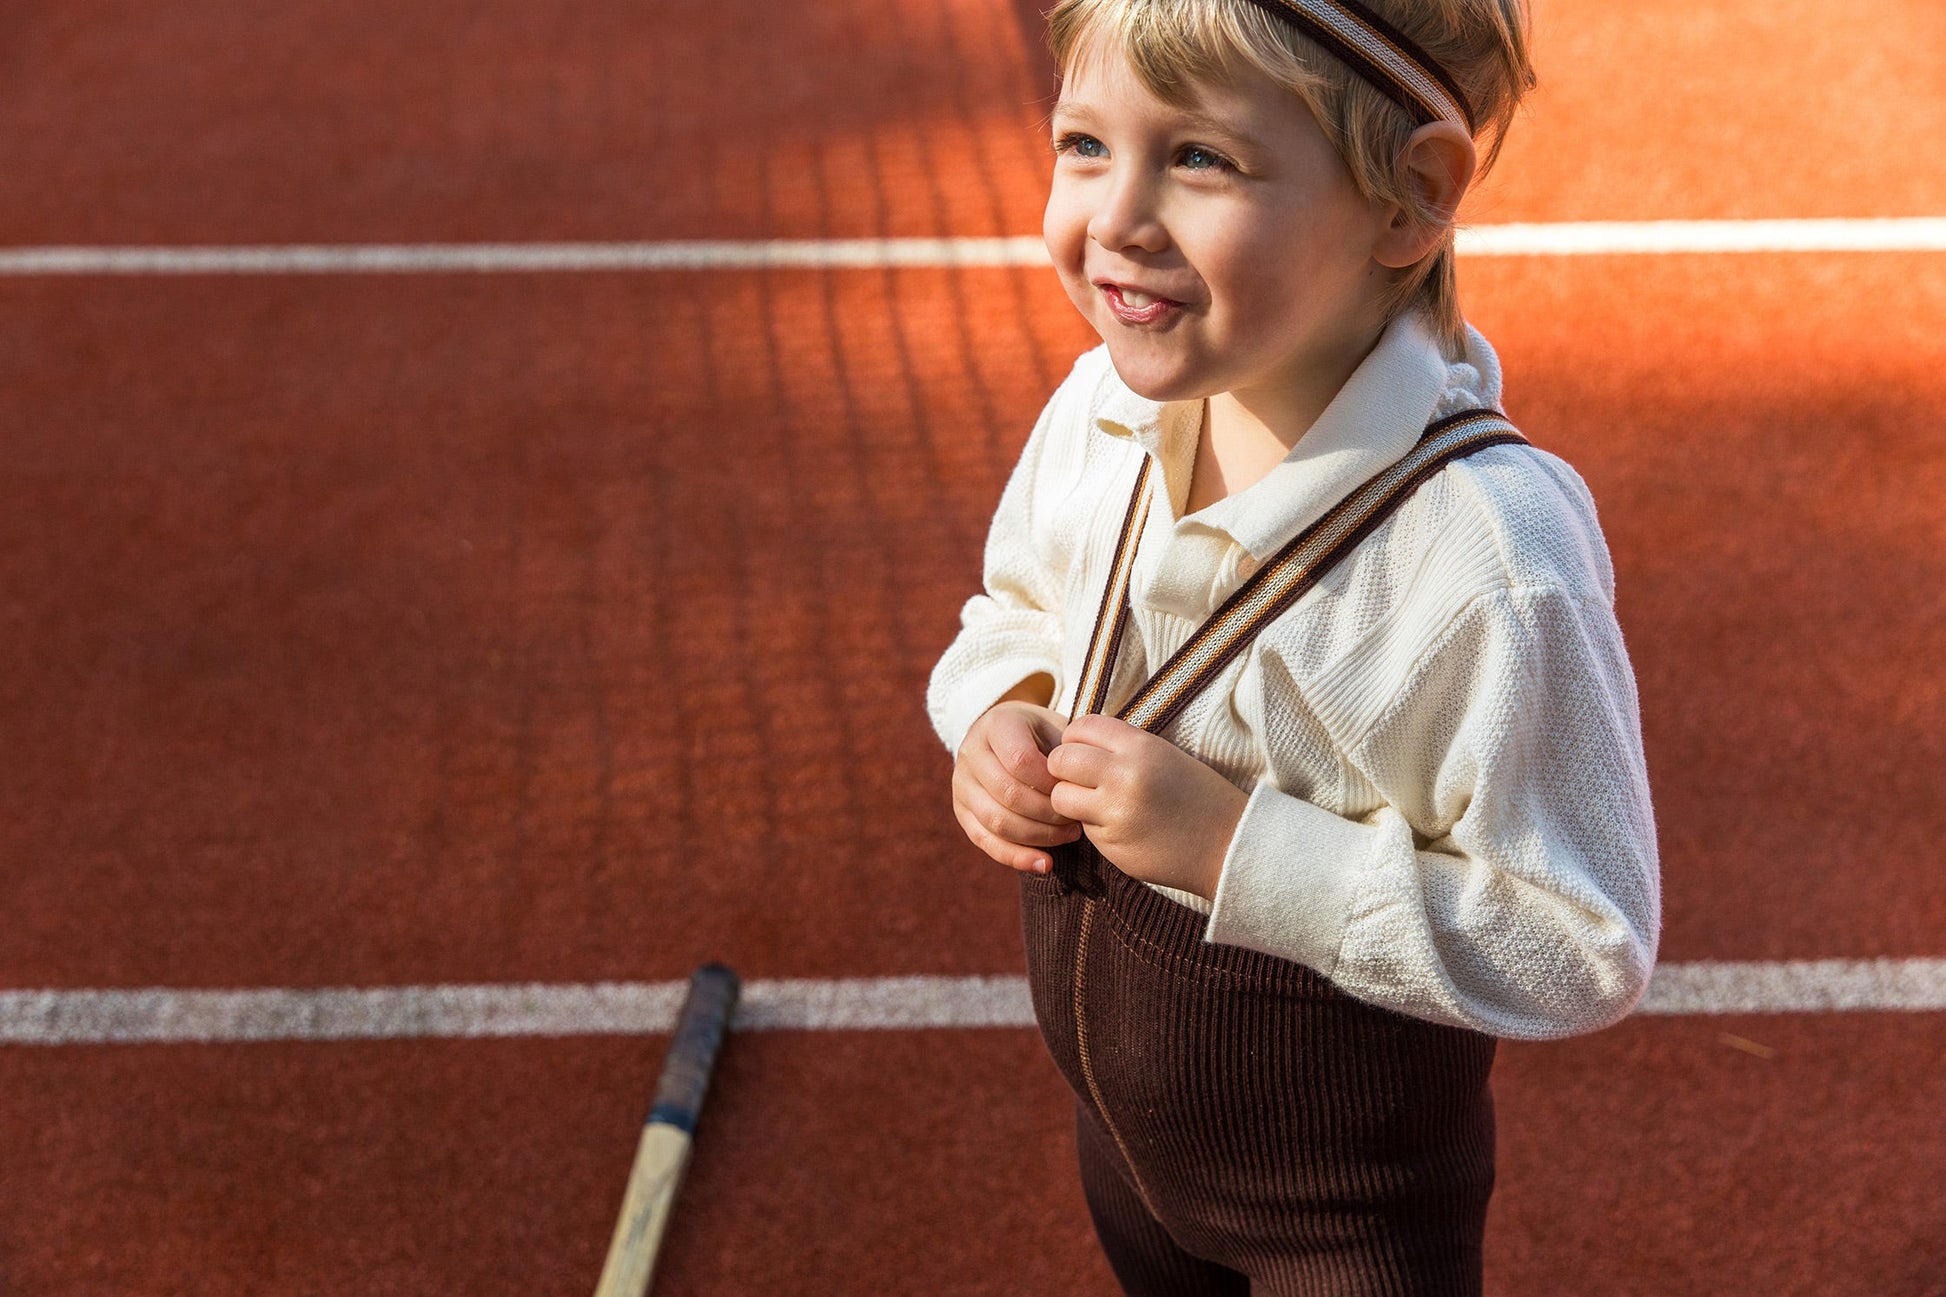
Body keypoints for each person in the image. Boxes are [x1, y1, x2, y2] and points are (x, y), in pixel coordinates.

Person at [926, 0, 1660, 1292]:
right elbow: (1012, 613)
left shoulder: (1486, 557)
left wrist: (1232, 846)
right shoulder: (1106, 397)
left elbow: (1580, 935)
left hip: (1343, 1227)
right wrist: (998, 707)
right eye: (1084, 144)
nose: (1115, 219)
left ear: (1408, 195)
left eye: (1199, 159)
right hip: (1130, 1156)